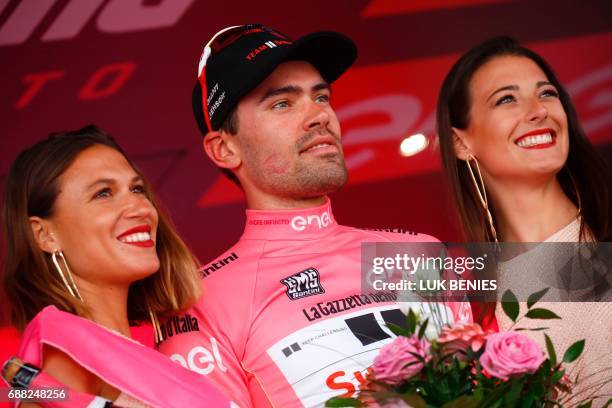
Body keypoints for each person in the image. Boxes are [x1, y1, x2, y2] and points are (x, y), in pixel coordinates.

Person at [156, 24, 472, 407]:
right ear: (224, 149)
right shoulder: (201, 302)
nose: (319, 116)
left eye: (321, 97)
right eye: (283, 104)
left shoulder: (419, 252)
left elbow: (503, 380)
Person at [1, 126, 232, 407]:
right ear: (45, 235)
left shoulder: (155, 348)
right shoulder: (60, 340)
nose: (141, 207)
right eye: (103, 193)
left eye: (137, 189)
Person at [436, 36, 612, 405]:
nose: (538, 111)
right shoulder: (472, 311)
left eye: (547, 94)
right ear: (460, 143)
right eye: (506, 99)